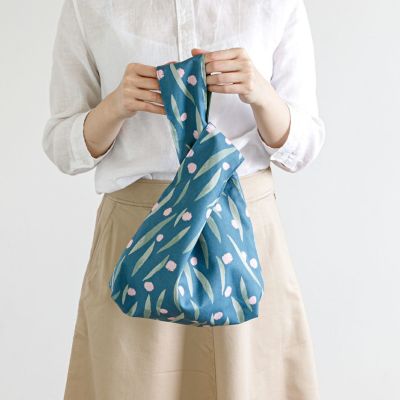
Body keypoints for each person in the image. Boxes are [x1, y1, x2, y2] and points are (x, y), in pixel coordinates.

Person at [42, 0, 326, 399]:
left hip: (244, 237)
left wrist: (262, 94)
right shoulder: (88, 6)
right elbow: (61, 146)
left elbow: (304, 147)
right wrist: (115, 107)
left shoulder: (275, 5)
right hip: (137, 240)